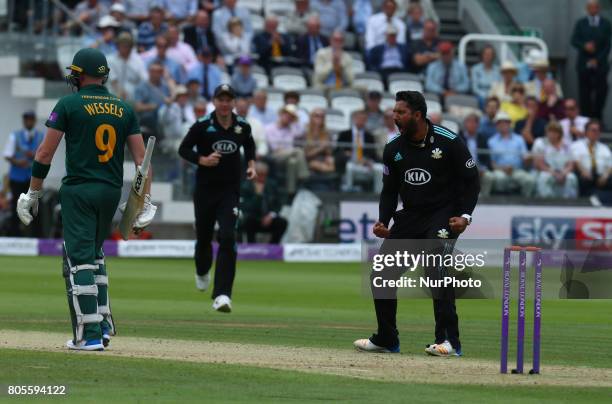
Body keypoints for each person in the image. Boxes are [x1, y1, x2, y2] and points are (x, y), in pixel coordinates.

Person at [16, 48, 155, 351]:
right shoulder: (124, 108)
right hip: (110, 191)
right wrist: (144, 202)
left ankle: (89, 336)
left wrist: (34, 191)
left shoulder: (68, 103)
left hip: (79, 190)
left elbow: (44, 153)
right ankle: (103, 324)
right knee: (94, 255)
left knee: (78, 260)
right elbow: (143, 161)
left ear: (81, 74)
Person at [353, 91, 479, 356]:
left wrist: (465, 216)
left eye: (401, 112)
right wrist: (383, 220)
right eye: (394, 111)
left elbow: (471, 181)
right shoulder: (393, 148)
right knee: (382, 273)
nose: (394, 116)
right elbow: (389, 190)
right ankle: (387, 338)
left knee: (436, 268)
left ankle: (449, 342)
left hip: (444, 215)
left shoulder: (449, 141)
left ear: (418, 115)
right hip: (411, 216)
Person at [178, 84, 257, 313]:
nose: (224, 104)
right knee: (204, 238)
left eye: (228, 99)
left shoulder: (242, 126)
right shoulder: (203, 125)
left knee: (228, 237)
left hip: (229, 191)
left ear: (233, 102)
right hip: (205, 190)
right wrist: (202, 160)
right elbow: (183, 149)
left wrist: (251, 165)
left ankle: (222, 294)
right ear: (214, 101)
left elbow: (249, 145)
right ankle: (202, 270)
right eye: (220, 99)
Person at [3, 110, 44, 237]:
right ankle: (15, 236)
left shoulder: (41, 136)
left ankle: (37, 236)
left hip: (34, 178)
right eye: (26, 119)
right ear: (24, 121)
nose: (28, 121)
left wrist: (36, 155)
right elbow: (7, 155)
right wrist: (17, 162)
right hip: (17, 177)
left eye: (31, 119)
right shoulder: (14, 136)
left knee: (35, 207)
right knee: (16, 206)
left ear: (34, 121)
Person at [570, 0, 611, 120]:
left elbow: (608, 45)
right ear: (587, 9)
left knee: (601, 92)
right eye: (590, 7)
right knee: (584, 93)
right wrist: (584, 46)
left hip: (601, 64)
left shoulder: (606, 24)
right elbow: (574, 40)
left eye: (595, 7)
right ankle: (585, 119)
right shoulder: (580, 23)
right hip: (584, 64)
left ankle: (598, 118)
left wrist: (597, 60)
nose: (593, 9)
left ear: (598, 8)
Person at [481, 111, 536, 197]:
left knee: (529, 180)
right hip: (499, 171)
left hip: (517, 170)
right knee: (501, 179)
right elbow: (491, 163)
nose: (503, 125)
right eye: (499, 122)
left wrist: (529, 159)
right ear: (496, 125)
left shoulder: (519, 139)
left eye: (505, 122)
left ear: (510, 124)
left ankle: (525, 205)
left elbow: (525, 158)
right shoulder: (491, 141)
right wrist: (503, 168)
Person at [336, 110, 383, 193]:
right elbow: (338, 152)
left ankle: (378, 195)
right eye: (359, 118)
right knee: (349, 167)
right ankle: (348, 193)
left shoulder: (369, 136)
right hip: (351, 162)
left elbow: (373, 154)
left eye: (364, 119)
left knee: (379, 168)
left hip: (365, 164)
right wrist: (346, 154)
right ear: (354, 119)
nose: (361, 121)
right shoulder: (344, 134)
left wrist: (368, 160)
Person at [265, 105, 309, 194]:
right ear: (281, 114)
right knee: (298, 151)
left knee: (292, 162)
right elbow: (275, 148)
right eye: (287, 115)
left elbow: (303, 133)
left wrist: (294, 121)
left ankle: (290, 192)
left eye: (291, 117)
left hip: (289, 156)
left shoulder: (292, 128)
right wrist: (286, 150)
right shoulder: (269, 128)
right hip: (275, 157)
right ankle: (304, 175)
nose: (289, 118)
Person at [240, 161, 287, 244]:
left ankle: (272, 247)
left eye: (264, 175)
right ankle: (251, 246)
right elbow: (246, 207)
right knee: (248, 222)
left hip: (269, 218)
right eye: (260, 175)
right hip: (253, 218)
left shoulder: (272, 185)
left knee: (282, 223)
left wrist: (271, 215)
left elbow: (278, 203)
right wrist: (258, 196)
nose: (262, 178)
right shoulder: (246, 186)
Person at [532, 122, 577, 199]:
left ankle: (568, 201)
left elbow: (571, 164)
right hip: (546, 171)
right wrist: (554, 174)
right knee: (544, 177)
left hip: (562, 171)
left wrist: (563, 173)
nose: (552, 134)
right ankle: (546, 200)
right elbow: (539, 164)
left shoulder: (567, 145)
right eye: (550, 131)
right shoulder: (540, 143)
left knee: (571, 178)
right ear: (546, 132)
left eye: (555, 132)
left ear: (560, 134)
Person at [571, 119, 612, 197]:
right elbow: (575, 161)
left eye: (598, 130)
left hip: (601, 175)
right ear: (586, 132)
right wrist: (583, 170)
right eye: (593, 130)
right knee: (583, 179)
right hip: (585, 174)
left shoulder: (604, 148)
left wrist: (605, 175)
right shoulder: (576, 145)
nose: (596, 132)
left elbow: (611, 164)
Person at [134, 62, 172, 135]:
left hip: (164, 116)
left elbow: (171, 100)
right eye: (153, 71)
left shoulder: (165, 86)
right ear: (149, 72)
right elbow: (138, 107)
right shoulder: (141, 87)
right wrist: (152, 106)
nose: (155, 73)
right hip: (148, 117)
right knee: (150, 117)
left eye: (158, 71)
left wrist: (169, 80)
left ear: (162, 72)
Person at [107, 32, 147, 103]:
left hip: (133, 99)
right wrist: (121, 95)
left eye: (127, 45)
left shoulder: (138, 59)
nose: (124, 48)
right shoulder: (110, 60)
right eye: (122, 45)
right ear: (118, 46)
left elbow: (144, 79)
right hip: (113, 98)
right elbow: (113, 81)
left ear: (131, 47)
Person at [304, 108, 335, 175]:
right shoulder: (305, 132)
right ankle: (332, 170)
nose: (320, 118)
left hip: (323, 158)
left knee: (331, 160)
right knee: (314, 164)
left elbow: (329, 152)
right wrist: (320, 148)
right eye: (317, 115)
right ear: (311, 117)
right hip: (309, 160)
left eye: (322, 116)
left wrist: (328, 151)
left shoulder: (327, 132)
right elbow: (305, 155)